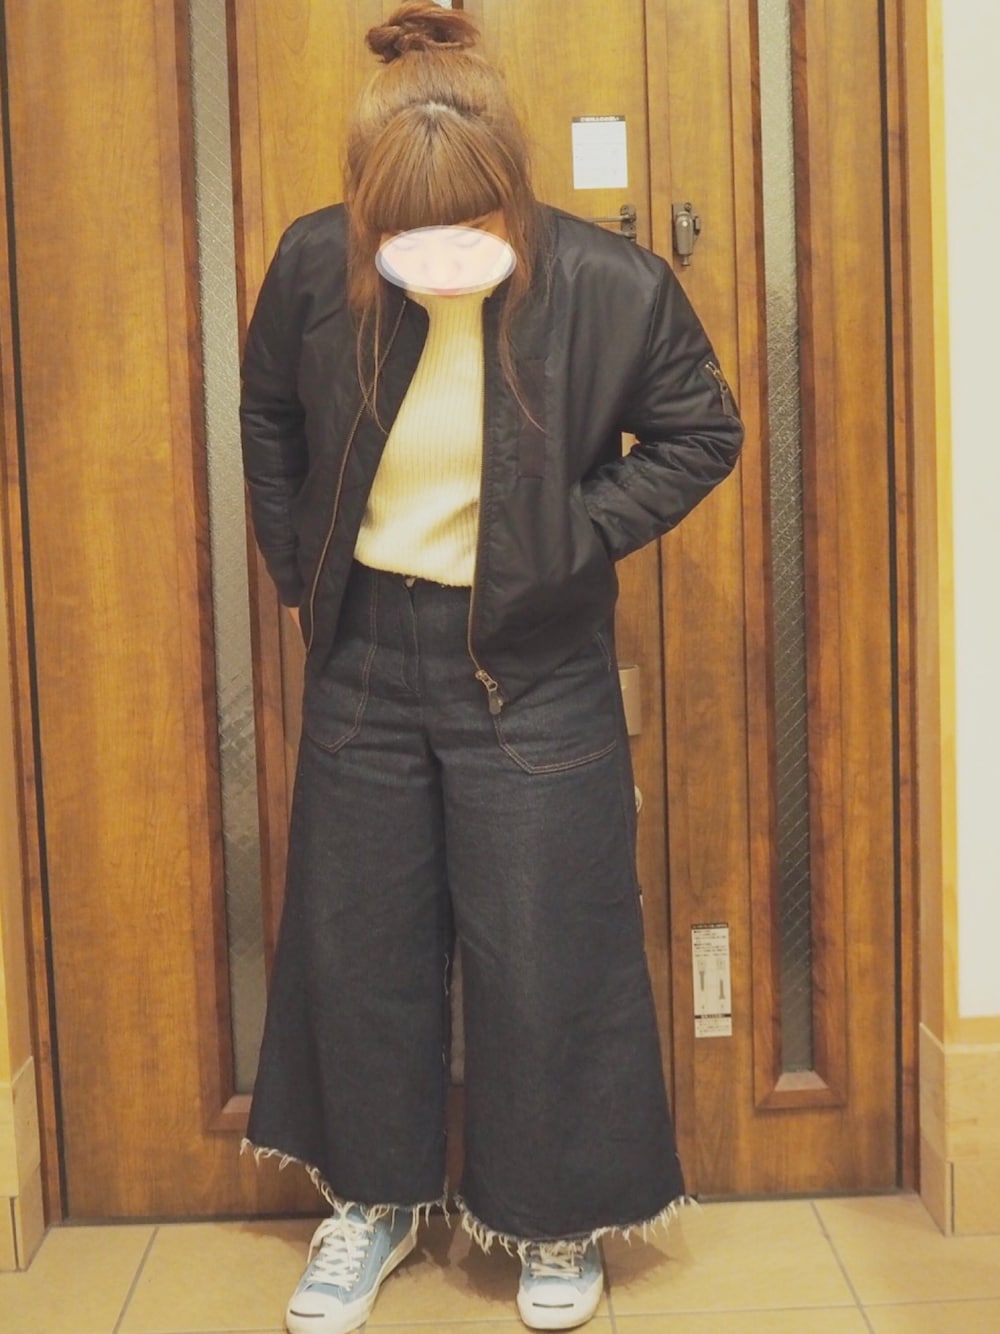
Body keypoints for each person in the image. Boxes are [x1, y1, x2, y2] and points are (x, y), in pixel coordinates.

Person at [239, 5, 743, 1332]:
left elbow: (704, 431)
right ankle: (373, 1202)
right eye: (403, 234)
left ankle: (553, 1215)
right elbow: (270, 417)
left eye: (467, 226)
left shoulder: (612, 283)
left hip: (536, 667)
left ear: (511, 188)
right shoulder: (313, 264)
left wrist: (568, 538)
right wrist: (302, 572)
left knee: (545, 943)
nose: (437, 255)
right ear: (364, 205)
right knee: (359, 944)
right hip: (366, 660)